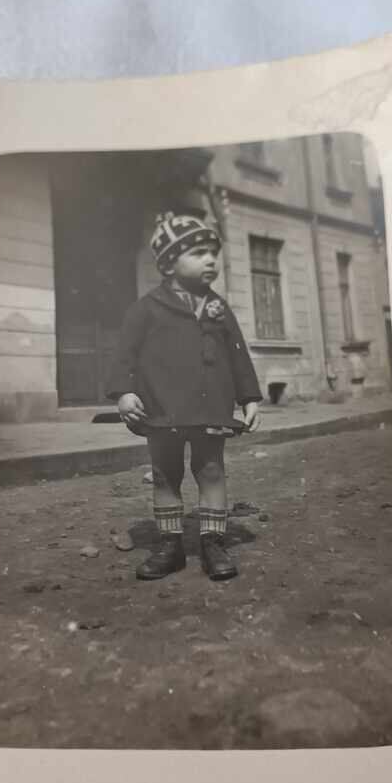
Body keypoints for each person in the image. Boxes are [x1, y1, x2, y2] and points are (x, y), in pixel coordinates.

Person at [105, 210, 263, 581]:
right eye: (197, 253)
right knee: (164, 474)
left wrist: (249, 398)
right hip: (160, 409)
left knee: (211, 470)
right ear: (169, 264)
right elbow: (123, 355)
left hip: (211, 406)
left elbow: (238, 355)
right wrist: (123, 393)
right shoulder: (146, 309)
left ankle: (212, 542)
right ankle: (170, 545)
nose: (210, 260)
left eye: (213, 252)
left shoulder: (219, 309)